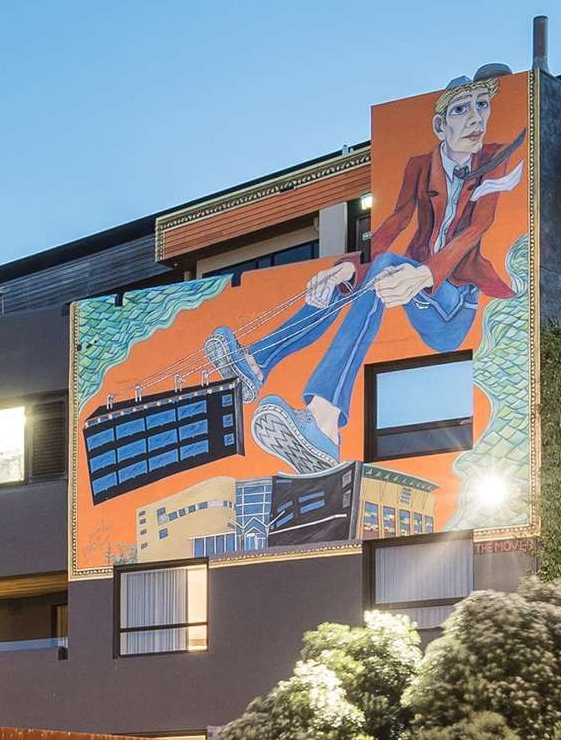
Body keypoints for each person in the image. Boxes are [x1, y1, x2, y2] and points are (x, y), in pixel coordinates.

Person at [204, 68, 528, 475]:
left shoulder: (495, 158)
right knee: (347, 283)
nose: (476, 118)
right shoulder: (420, 165)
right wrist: (346, 270)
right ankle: (257, 365)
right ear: (439, 125)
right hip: (414, 282)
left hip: (453, 307)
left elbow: (477, 229)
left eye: (482, 106)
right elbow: (392, 225)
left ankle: (324, 419)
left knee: (386, 270)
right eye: (462, 109)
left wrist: (424, 275)